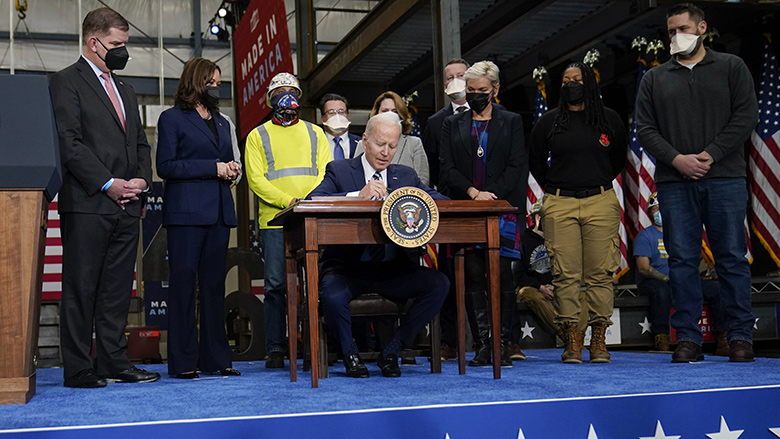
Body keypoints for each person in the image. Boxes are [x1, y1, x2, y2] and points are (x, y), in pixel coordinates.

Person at [636, 3, 758, 363]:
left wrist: (711, 154)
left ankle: (739, 337)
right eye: (671, 31)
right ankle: (687, 338)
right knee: (682, 260)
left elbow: (746, 115)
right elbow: (645, 128)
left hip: (725, 177)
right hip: (674, 182)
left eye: (683, 28)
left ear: (702, 27)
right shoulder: (655, 78)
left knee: (732, 259)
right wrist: (677, 160)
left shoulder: (731, 67)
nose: (676, 36)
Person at [49, 7, 159, 388]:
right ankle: (78, 367)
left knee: (116, 290)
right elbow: (70, 143)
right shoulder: (65, 82)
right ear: (93, 42)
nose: (122, 52)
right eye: (116, 44)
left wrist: (141, 182)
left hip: (129, 205)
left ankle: (113, 361)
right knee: (81, 286)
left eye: (124, 44)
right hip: (88, 202)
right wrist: (108, 183)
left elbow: (141, 144)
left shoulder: (126, 90)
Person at [306, 112, 450, 378]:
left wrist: (418, 198)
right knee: (332, 296)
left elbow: (435, 198)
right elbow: (313, 200)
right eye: (380, 144)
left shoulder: (405, 175)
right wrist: (355, 196)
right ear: (364, 140)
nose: (386, 152)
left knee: (438, 283)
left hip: (391, 270)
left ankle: (393, 350)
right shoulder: (340, 170)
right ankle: (350, 356)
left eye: (393, 146)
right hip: (346, 269)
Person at [529, 61, 628, 364]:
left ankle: (598, 340)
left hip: (600, 200)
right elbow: (536, 162)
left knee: (600, 273)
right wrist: (562, 188)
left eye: (577, 79)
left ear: (589, 82)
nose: (571, 84)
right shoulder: (549, 122)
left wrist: (590, 182)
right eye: (566, 80)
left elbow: (618, 160)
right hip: (560, 202)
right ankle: (573, 340)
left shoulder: (608, 119)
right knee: (565, 275)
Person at [155, 57, 241, 379]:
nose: (217, 88)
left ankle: (216, 359)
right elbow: (166, 167)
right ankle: (183, 362)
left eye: (219, 83)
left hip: (219, 213)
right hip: (186, 215)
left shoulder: (221, 121)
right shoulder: (172, 119)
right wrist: (213, 168)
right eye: (212, 83)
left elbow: (227, 159)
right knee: (182, 287)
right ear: (196, 82)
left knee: (213, 288)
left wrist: (231, 169)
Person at [440, 60, 527, 367]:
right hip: (468, 208)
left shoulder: (512, 120)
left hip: (501, 210)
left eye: (482, 90)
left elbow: (517, 165)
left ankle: (502, 344)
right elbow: (446, 167)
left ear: (495, 90)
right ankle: (482, 345)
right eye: (471, 90)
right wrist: (474, 193)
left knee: (502, 276)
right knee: (473, 276)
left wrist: (492, 196)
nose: (476, 95)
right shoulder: (453, 123)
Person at [244, 72, 332, 369]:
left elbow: (325, 172)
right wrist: (289, 202)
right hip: (275, 221)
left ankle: (314, 344)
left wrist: (308, 202)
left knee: (314, 284)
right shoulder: (257, 136)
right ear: (270, 99)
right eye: (280, 92)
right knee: (275, 285)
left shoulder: (315, 133)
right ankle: (276, 348)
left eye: (291, 91)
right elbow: (256, 180)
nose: (287, 97)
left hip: (311, 217)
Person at [634, 193, 729, 355]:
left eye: (662, 208)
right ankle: (662, 339)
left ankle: (723, 338)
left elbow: (696, 259)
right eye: (656, 209)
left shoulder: (681, 234)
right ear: (650, 213)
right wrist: (668, 279)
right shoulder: (645, 235)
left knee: (716, 290)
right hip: (655, 281)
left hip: (682, 279)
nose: (660, 212)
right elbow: (644, 268)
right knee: (662, 292)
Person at [514, 200, 588, 345]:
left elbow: (570, 268)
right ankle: (567, 336)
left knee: (583, 296)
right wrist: (540, 287)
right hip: (533, 287)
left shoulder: (561, 240)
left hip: (558, 286)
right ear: (537, 218)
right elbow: (518, 275)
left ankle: (577, 336)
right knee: (528, 294)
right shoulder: (523, 240)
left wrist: (559, 286)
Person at [355, 91, 430, 186]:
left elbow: (423, 180)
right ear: (377, 113)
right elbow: (355, 177)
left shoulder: (414, 143)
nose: (389, 115)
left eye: (395, 111)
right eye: (385, 111)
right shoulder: (363, 144)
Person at [422, 58, 470, 190]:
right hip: (450, 195)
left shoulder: (491, 112)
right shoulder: (435, 122)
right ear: (444, 86)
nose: (456, 81)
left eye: (461, 76)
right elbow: (431, 163)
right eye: (450, 78)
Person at [319, 93, 361, 160]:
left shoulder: (361, 143)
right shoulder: (316, 144)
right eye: (331, 112)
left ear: (348, 116)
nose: (337, 116)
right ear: (322, 118)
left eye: (341, 111)